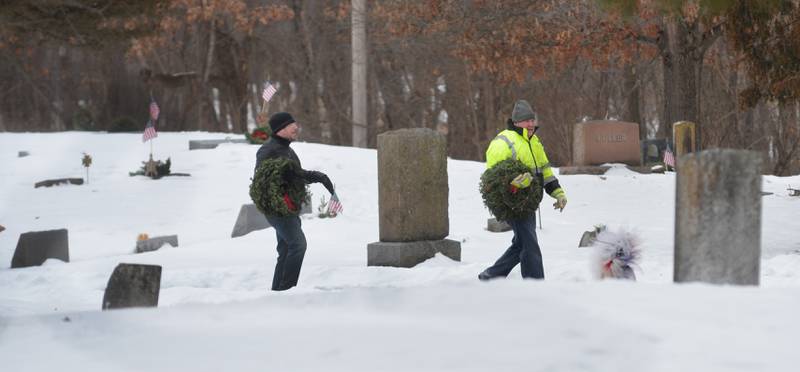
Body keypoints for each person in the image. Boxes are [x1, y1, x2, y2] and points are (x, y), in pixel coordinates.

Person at [478, 100, 567, 280]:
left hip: (529, 202)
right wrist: (512, 184)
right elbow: (493, 179)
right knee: (529, 243)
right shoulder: (502, 142)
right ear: (516, 122)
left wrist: (558, 192)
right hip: (511, 203)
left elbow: (545, 171)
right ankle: (535, 281)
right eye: (526, 121)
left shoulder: (534, 142)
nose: (531, 124)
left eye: (532, 120)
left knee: (522, 243)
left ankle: (492, 274)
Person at [254, 112, 336, 291]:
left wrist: (317, 176)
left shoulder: (287, 149)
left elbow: (294, 173)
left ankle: (277, 293)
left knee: (285, 250)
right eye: (292, 125)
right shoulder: (268, 150)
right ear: (281, 128)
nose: (296, 128)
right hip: (279, 209)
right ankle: (287, 291)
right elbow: (264, 179)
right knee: (298, 245)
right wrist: (279, 200)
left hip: (289, 208)